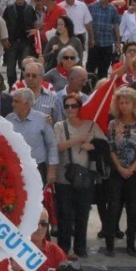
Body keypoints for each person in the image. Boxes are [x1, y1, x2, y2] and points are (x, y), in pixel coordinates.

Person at [54, 93, 104, 259]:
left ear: (80, 107)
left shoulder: (91, 125)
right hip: (64, 177)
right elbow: (58, 146)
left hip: (85, 176)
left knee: (83, 214)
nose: (70, 109)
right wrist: (79, 139)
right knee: (65, 215)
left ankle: (80, 248)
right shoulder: (60, 126)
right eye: (67, 106)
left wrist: (93, 145)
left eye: (73, 106)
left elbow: (104, 144)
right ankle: (63, 248)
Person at [104, 87, 136, 257]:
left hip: (135, 172)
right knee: (114, 206)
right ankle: (109, 243)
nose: (124, 106)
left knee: (132, 207)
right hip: (117, 171)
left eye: (127, 103)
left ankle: (131, 243)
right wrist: (120, 168)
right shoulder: (113, 124)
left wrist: (131, 169)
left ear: (135, 104)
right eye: (121, 103)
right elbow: (110, 148)